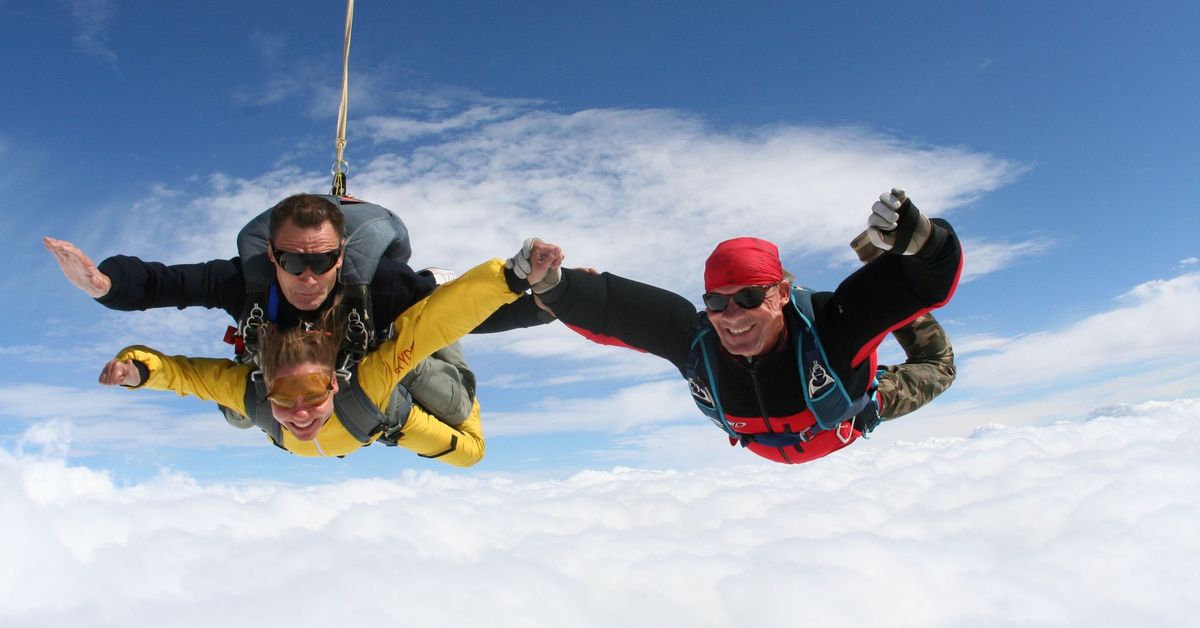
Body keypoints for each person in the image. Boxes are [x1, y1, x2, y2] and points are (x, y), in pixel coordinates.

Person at [44, 193, 547, 429]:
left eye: (323, 262)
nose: (308, 278)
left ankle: (426, 314)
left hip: (376, 354)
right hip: (285, 365)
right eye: (292, 262)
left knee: (454, 406)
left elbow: (471, 314)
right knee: (243, 417)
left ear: (341, 257)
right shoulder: (245, 283)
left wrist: (547, 305)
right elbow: (167, 283)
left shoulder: (381, 284)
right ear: (271, 257)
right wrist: (106, 285)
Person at [535, 189, 962, 465]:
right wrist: (558, 287)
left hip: (850, 412)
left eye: (749, 298)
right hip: (787, 431)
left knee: (937, 362)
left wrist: (924, 242)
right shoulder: (697, 343)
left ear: (777, 295)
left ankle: (884, 255)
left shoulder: (833, 327)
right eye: (716, 301)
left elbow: (924, 282)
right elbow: (617, 312)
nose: (732, 316)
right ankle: (775, 276)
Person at [96, 238, 564, 462]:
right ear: (266, 385)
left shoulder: (369, 382)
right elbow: (183, 376)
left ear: (337, 383)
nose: (299, 415)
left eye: (310, 395)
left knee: (458, 413)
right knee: (234, 410)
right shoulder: (259, 400)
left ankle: (422, 309)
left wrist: (514, 278)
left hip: (382, 399)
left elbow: (440, 323)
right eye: (286, 399)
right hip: (367, 419)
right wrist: (139, 370)